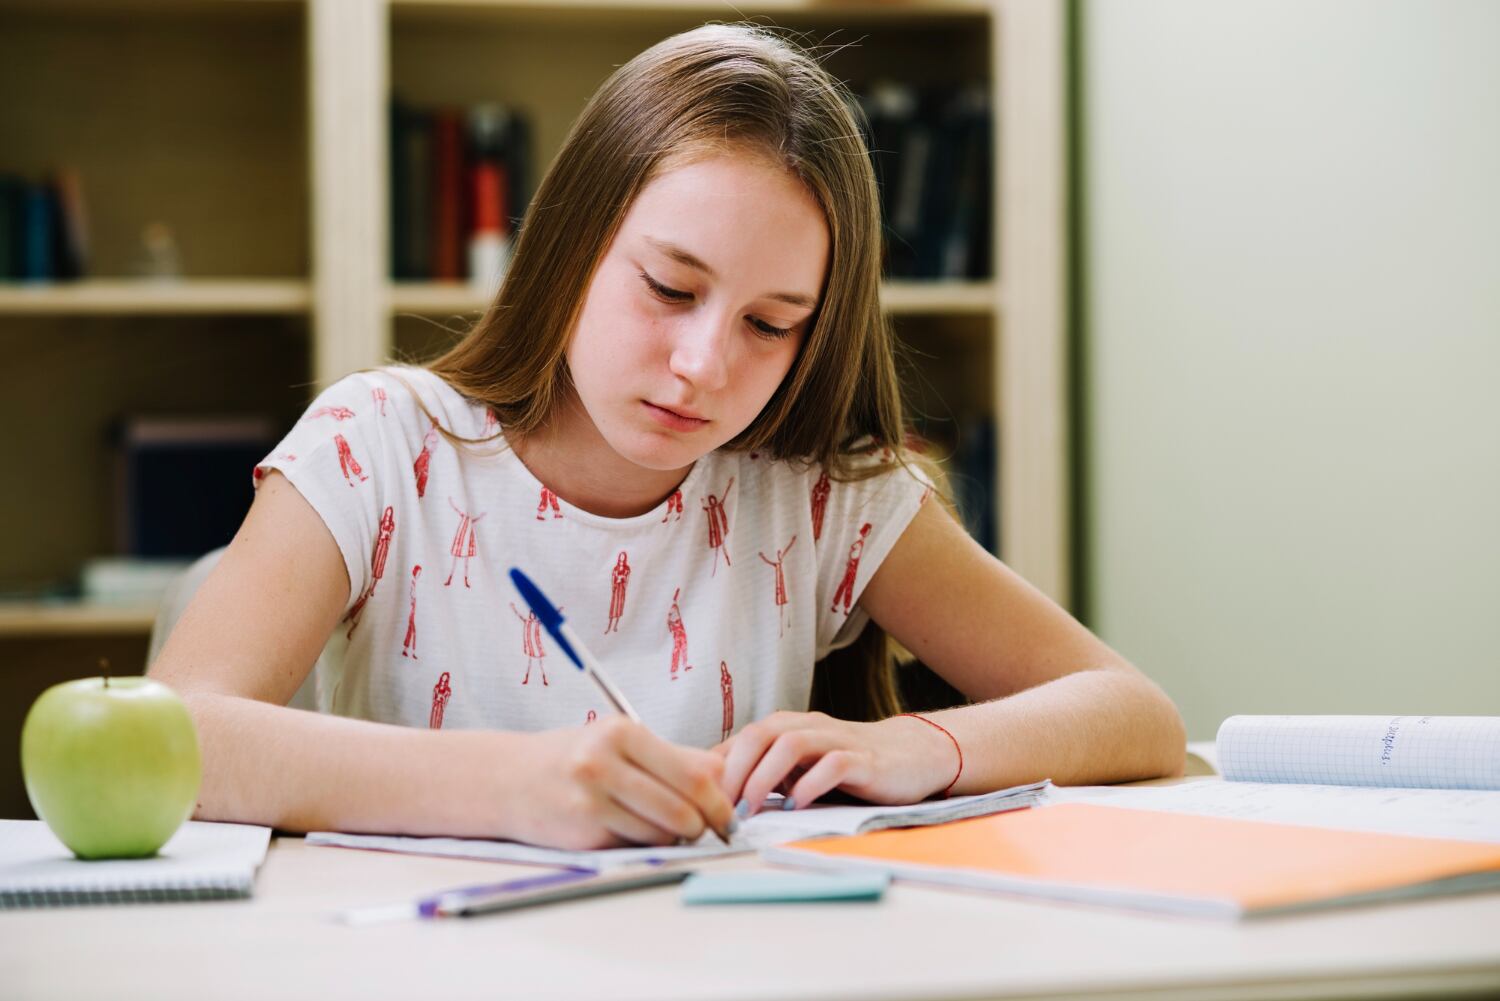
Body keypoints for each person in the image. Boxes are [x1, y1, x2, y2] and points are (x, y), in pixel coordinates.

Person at [147, 23, 1184, 851]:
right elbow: (171, 736)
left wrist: (923, 745)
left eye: (770, 324)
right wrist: (511, 783)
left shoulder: (817, 495)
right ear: (572, 243)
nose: (703, 365)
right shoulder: (383, 447)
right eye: (669, 286)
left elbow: (1134, 711)